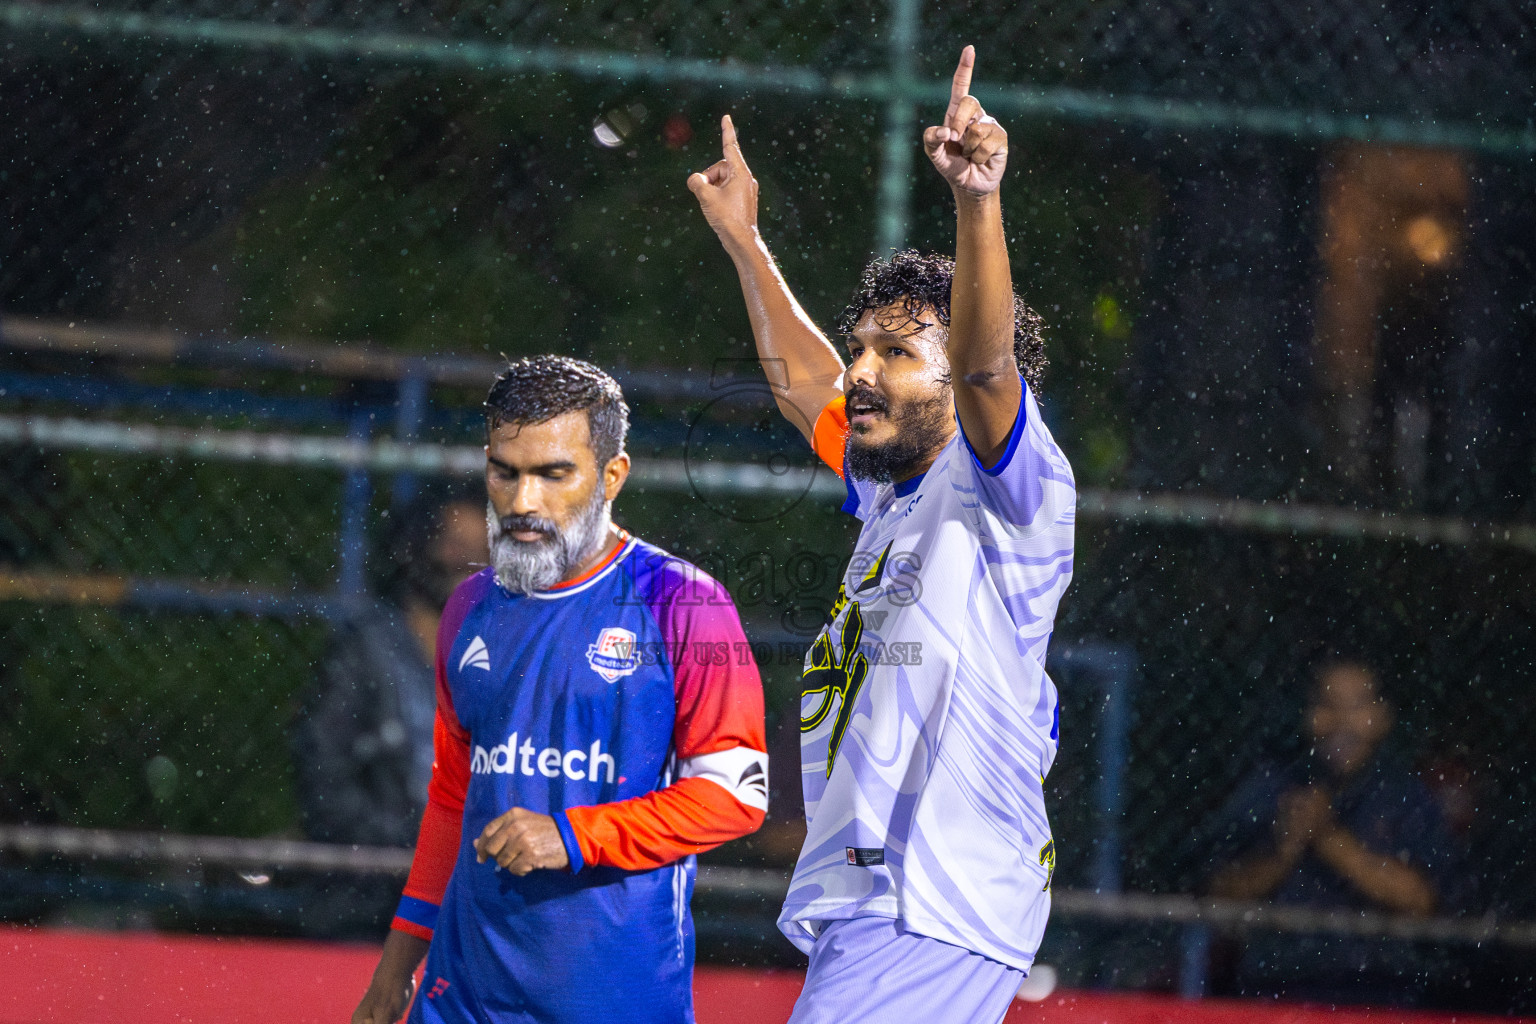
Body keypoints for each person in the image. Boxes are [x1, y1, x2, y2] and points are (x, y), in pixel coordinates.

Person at [689, 46, 1075, 1024]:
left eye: (897, 352)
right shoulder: (890, 496)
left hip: (934, 902)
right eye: (863, 345)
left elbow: (988, 376)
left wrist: (977, 200)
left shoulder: (1008, 492)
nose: (862, 369)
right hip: (895, 904)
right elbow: (799, 383)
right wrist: (745, 241)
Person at [352, 355, 769, 1024]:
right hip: (463, 996)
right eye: (505, 472)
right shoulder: (467, 607)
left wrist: (572, 836)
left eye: (553, 474)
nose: (522, 502)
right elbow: (454, 798)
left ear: (612, 476)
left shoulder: (683, 603)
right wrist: (398, 965)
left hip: (614, 1000)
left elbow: (736, 797)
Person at [1201, 657, 1458, 1003]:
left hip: (1380, 994)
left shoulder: (1405, 796)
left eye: (1357, 707)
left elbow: (1422, 902)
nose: (1342, 723)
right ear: (1308, 715)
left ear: (1382, 719)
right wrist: (1283, 852)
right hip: (1276, 992)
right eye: (1327, 705)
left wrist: (1329, 840)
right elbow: (1218, 896)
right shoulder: (1268, 789)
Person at [293, 489, 487, 855]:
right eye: (455, 545)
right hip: (380, 877)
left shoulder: (500, 656)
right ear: (415, 547)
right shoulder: (366, 651)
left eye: (483, 551)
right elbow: (324, 777)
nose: (466, 564)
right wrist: (406, 843)